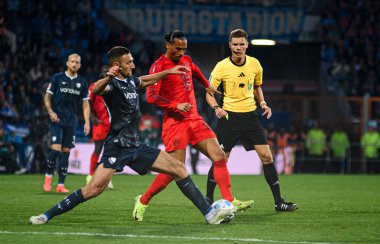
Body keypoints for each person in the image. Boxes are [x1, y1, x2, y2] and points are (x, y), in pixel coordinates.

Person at [29, 46, 235, 225]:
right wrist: (109, 76)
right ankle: (47, 215)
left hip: (135, 146)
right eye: (129, 62)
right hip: (116, 147)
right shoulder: (111, 85)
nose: (133, 65)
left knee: (179, 169)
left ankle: (209, 215)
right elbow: (95, 89)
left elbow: (145, 80)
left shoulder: (130, 82)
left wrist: (169, 71)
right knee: (92, 189)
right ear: (117, 65)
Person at [133, 30, 254, 222]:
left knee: (219, 156)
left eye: (184, 49)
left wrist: (207, 85)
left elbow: (196, 71)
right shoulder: (158, 66)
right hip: (175, 123)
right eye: (178, 49)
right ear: (168, 45)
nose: (181, 53)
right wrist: (176, 105)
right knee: (175, 170)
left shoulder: (187, 60)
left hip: (194, 119)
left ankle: (230, 200)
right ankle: (144, 200)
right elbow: (151, 96)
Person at [205, 29, 298, 212]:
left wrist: (263, 103)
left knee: (267, 155)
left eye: (241, 44)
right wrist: (217, 108)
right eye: (235, 44)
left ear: (247, 44)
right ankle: (207, 198)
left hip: (250, 117)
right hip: (229, 117)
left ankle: (279, 202)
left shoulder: (255, 64)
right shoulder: (221, 67)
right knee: (221, 159)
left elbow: (256, 87)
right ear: (229, 45)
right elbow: (209, 94)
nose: (238, 47)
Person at [43, 53, 90, 193]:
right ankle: (48, 177)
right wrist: (50, 111)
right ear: (67, 63)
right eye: (72, 61)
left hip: (71, 121)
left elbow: (85, 103)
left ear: (80, 65)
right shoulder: (57, 78)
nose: (74, 64)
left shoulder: (82, 82)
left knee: (66, 152)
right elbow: (47, 96)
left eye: (77, 62)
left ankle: (61, 185)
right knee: (55, 149)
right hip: (57, 119)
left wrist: (87, 121)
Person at [86, 66, 114, 189]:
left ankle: (106, 177)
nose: (105, 73)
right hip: (100, 123)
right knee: (98, 149)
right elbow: (87, 102)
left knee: (111, 151)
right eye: (103, 72)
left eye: (107, 72)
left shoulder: (114, 86)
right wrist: (92, 118)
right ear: (100, 73)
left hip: (112, 124)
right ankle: (91, 175)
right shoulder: (94, 86)